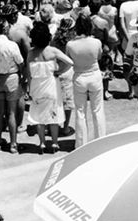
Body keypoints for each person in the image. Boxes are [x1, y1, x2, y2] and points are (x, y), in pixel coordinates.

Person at [27, 22, 73, 153]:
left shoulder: (31, 54)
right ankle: (54, 143)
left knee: (39, 117)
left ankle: (41, 143)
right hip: (51, 85)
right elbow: (70, 62)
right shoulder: (52, 51)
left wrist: (29, 89)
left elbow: (28, 73)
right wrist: (59, 72)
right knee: (53, 116)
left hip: (37, 86)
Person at [66, 15, 106, 147]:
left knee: (80, 111)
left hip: (79, 77)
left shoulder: (70, 45)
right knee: (97, 110)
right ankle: (101, 142)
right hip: (94, 76)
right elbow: (99, 56)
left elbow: (69, 59)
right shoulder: (96, 42)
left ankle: (81, 144)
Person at [0, 19, 24, 153]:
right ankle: (13, 144)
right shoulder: (12, 45)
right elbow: (20, 62)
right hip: (11, 77)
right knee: (11, 113)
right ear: (4, 29)